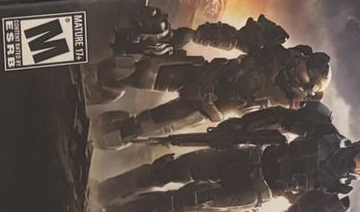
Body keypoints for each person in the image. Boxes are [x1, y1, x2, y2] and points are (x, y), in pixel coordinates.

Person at [99, 99, 360, 212]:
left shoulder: (333, 194)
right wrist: (239, 127)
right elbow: (281, 117)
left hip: (255, 191)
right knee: (173, 168)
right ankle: (106, 190)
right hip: (250, 156)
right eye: (358, 159)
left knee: (180, 201)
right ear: (356, 146)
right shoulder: (326, 132)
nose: (354, 166)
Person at [93, 14, 331, 142]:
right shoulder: (275, 53)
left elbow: (249, 131)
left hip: (205, 109)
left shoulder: (283, 110)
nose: (297, 66)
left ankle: (98, 133)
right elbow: (235, 38)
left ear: (305, 86)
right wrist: (196, 35)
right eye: (302, 62)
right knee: (136, 72)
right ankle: (92, 86)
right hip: (202, 74)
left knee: (134, 129)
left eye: (303, 71)